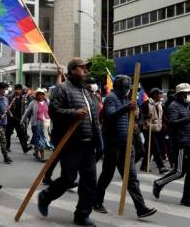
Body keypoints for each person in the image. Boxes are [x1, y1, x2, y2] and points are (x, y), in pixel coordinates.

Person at [37, 57, 103, 227]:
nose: (86, 71)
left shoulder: (88, 92)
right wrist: (73, 113)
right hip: (70, 143)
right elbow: (54, 111)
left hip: (88, 144)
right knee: (69, 178)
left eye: (87, 68)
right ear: (73, 69)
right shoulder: (62, 89)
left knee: (89, 181)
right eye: (83, 68)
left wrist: (99, 141)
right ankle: (46, 196)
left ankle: (82, 215)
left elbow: (95, 119)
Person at [94, 75, 157, 218]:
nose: (126, 90)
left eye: (128, 88)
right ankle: (96, 201)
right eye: (124, 88)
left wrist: (135, 113)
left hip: (127, 144)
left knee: (132, 178)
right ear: (117, 87)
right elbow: (110, 116)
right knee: (107, 175)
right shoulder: (111, 98)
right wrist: (126, 108)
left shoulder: (127, 99)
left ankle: (141, 208)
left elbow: (131, 118)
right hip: (113, 144)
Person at [153, 83, 190, 208]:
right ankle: (158, 183)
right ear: (180, 94)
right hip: (180, 143)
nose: (189, 95)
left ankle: (186, 198)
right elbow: (172, 123)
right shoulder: (174, 106)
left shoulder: (188, 105)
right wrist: (188, 119)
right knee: (179, 171)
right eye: (186, 93)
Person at [140, 88, 169, 174]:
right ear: (155, 95)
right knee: (156, 148)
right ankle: (161, 166)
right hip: (149, 129)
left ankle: (144, 165)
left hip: (158, 129)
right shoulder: (146, 103)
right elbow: (140, 115)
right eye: (159, 94)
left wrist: (165, 125)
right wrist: (146, 115)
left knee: (150, 148)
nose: (161, 96)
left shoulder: (160, 104)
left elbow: (163, 116)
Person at [21, 88, 52, 162]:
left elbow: (51, 111)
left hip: (46, 123)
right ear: (36, 95)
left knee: (38, 139)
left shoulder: (47, 102)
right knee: (40, 139)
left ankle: (36, 152)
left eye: (42, 94)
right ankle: (42, 157)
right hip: (36, 123)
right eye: (39, 94)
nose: (40, 96)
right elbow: (27, 112)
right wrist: (22, 121)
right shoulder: (33, 103)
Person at [5, 84, 32, 153]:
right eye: (16, 89)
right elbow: (7, 107)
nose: (18, 91)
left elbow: (27, 104)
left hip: (19, 118)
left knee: (21, 134)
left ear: (21, 90)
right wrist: (10, 114)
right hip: (11, 118)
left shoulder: (23, 97)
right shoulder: (10, 97)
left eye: (19, 89)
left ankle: (25, 148)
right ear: (15, 89)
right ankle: (7, 147)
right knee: (8, 133)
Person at [0, 82, 12, 164]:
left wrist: (9, 112)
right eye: (4, 89)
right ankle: (6, 157)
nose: (5, 90)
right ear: (0, 89)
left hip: (5, 122)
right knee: (3, 139)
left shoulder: (6, 99)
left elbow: (6, 107)